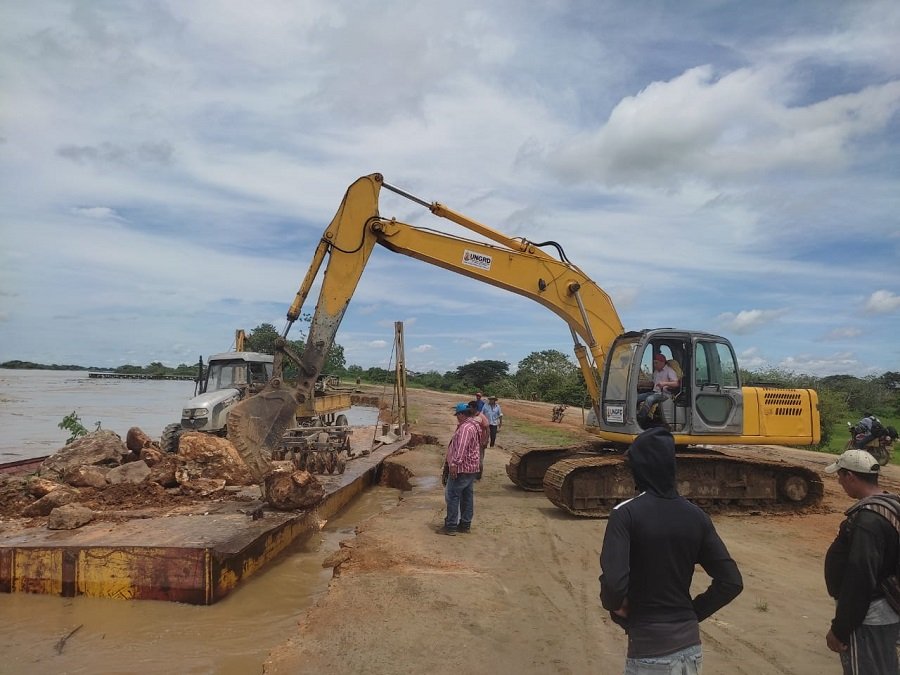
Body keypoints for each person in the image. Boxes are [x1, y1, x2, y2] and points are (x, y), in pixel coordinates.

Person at [599, 426, 743, 674]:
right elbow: (731, 582)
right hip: (691, 651)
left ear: (639, 468)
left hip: (649, 651)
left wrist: (614, 606)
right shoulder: (697, 516)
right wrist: (690, 614)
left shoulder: (626, 514)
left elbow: (614, 583)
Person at [823, 449, 900, 674]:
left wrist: (840, 629)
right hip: (888, 609)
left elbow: (860, 578)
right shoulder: (891, 505)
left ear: (851, 476)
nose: (839, 482)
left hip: (868, 617)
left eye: (840, 476)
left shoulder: (868, 520)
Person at [440, 403, 482, 536]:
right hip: (471, 468)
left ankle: (451, 525)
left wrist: (454, 464)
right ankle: (465, 524)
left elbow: (462, 447)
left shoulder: (465, 428)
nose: (457, 418)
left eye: (457, 415)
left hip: (462, 468)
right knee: (467, 497)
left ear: (461, 414)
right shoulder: (474, 426)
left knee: (453, 495)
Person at [468, 400, 490, 479]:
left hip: (481, 441)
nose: (469, 409)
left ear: (474, 408)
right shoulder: (471, 416)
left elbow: (487, 429)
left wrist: (486, 441)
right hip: (473, 442)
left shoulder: (482, 417)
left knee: (480, 460)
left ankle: (478, 476)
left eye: (470, 408)